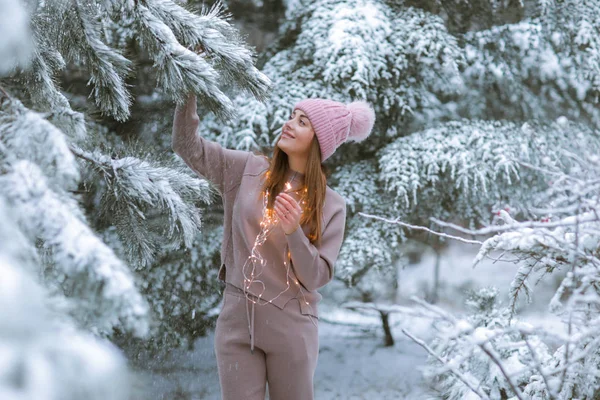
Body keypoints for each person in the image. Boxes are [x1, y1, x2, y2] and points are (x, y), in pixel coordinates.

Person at [171, 47, 375, 400]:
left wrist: (294, 230)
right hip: (237, 320)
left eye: (302, 121)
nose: (289, 123)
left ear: (320, 141)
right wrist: (190, 85)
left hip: (292, 327)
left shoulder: (331, 205)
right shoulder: (246, 169)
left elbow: (316, 277)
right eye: (291, 115)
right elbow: (186, 145)